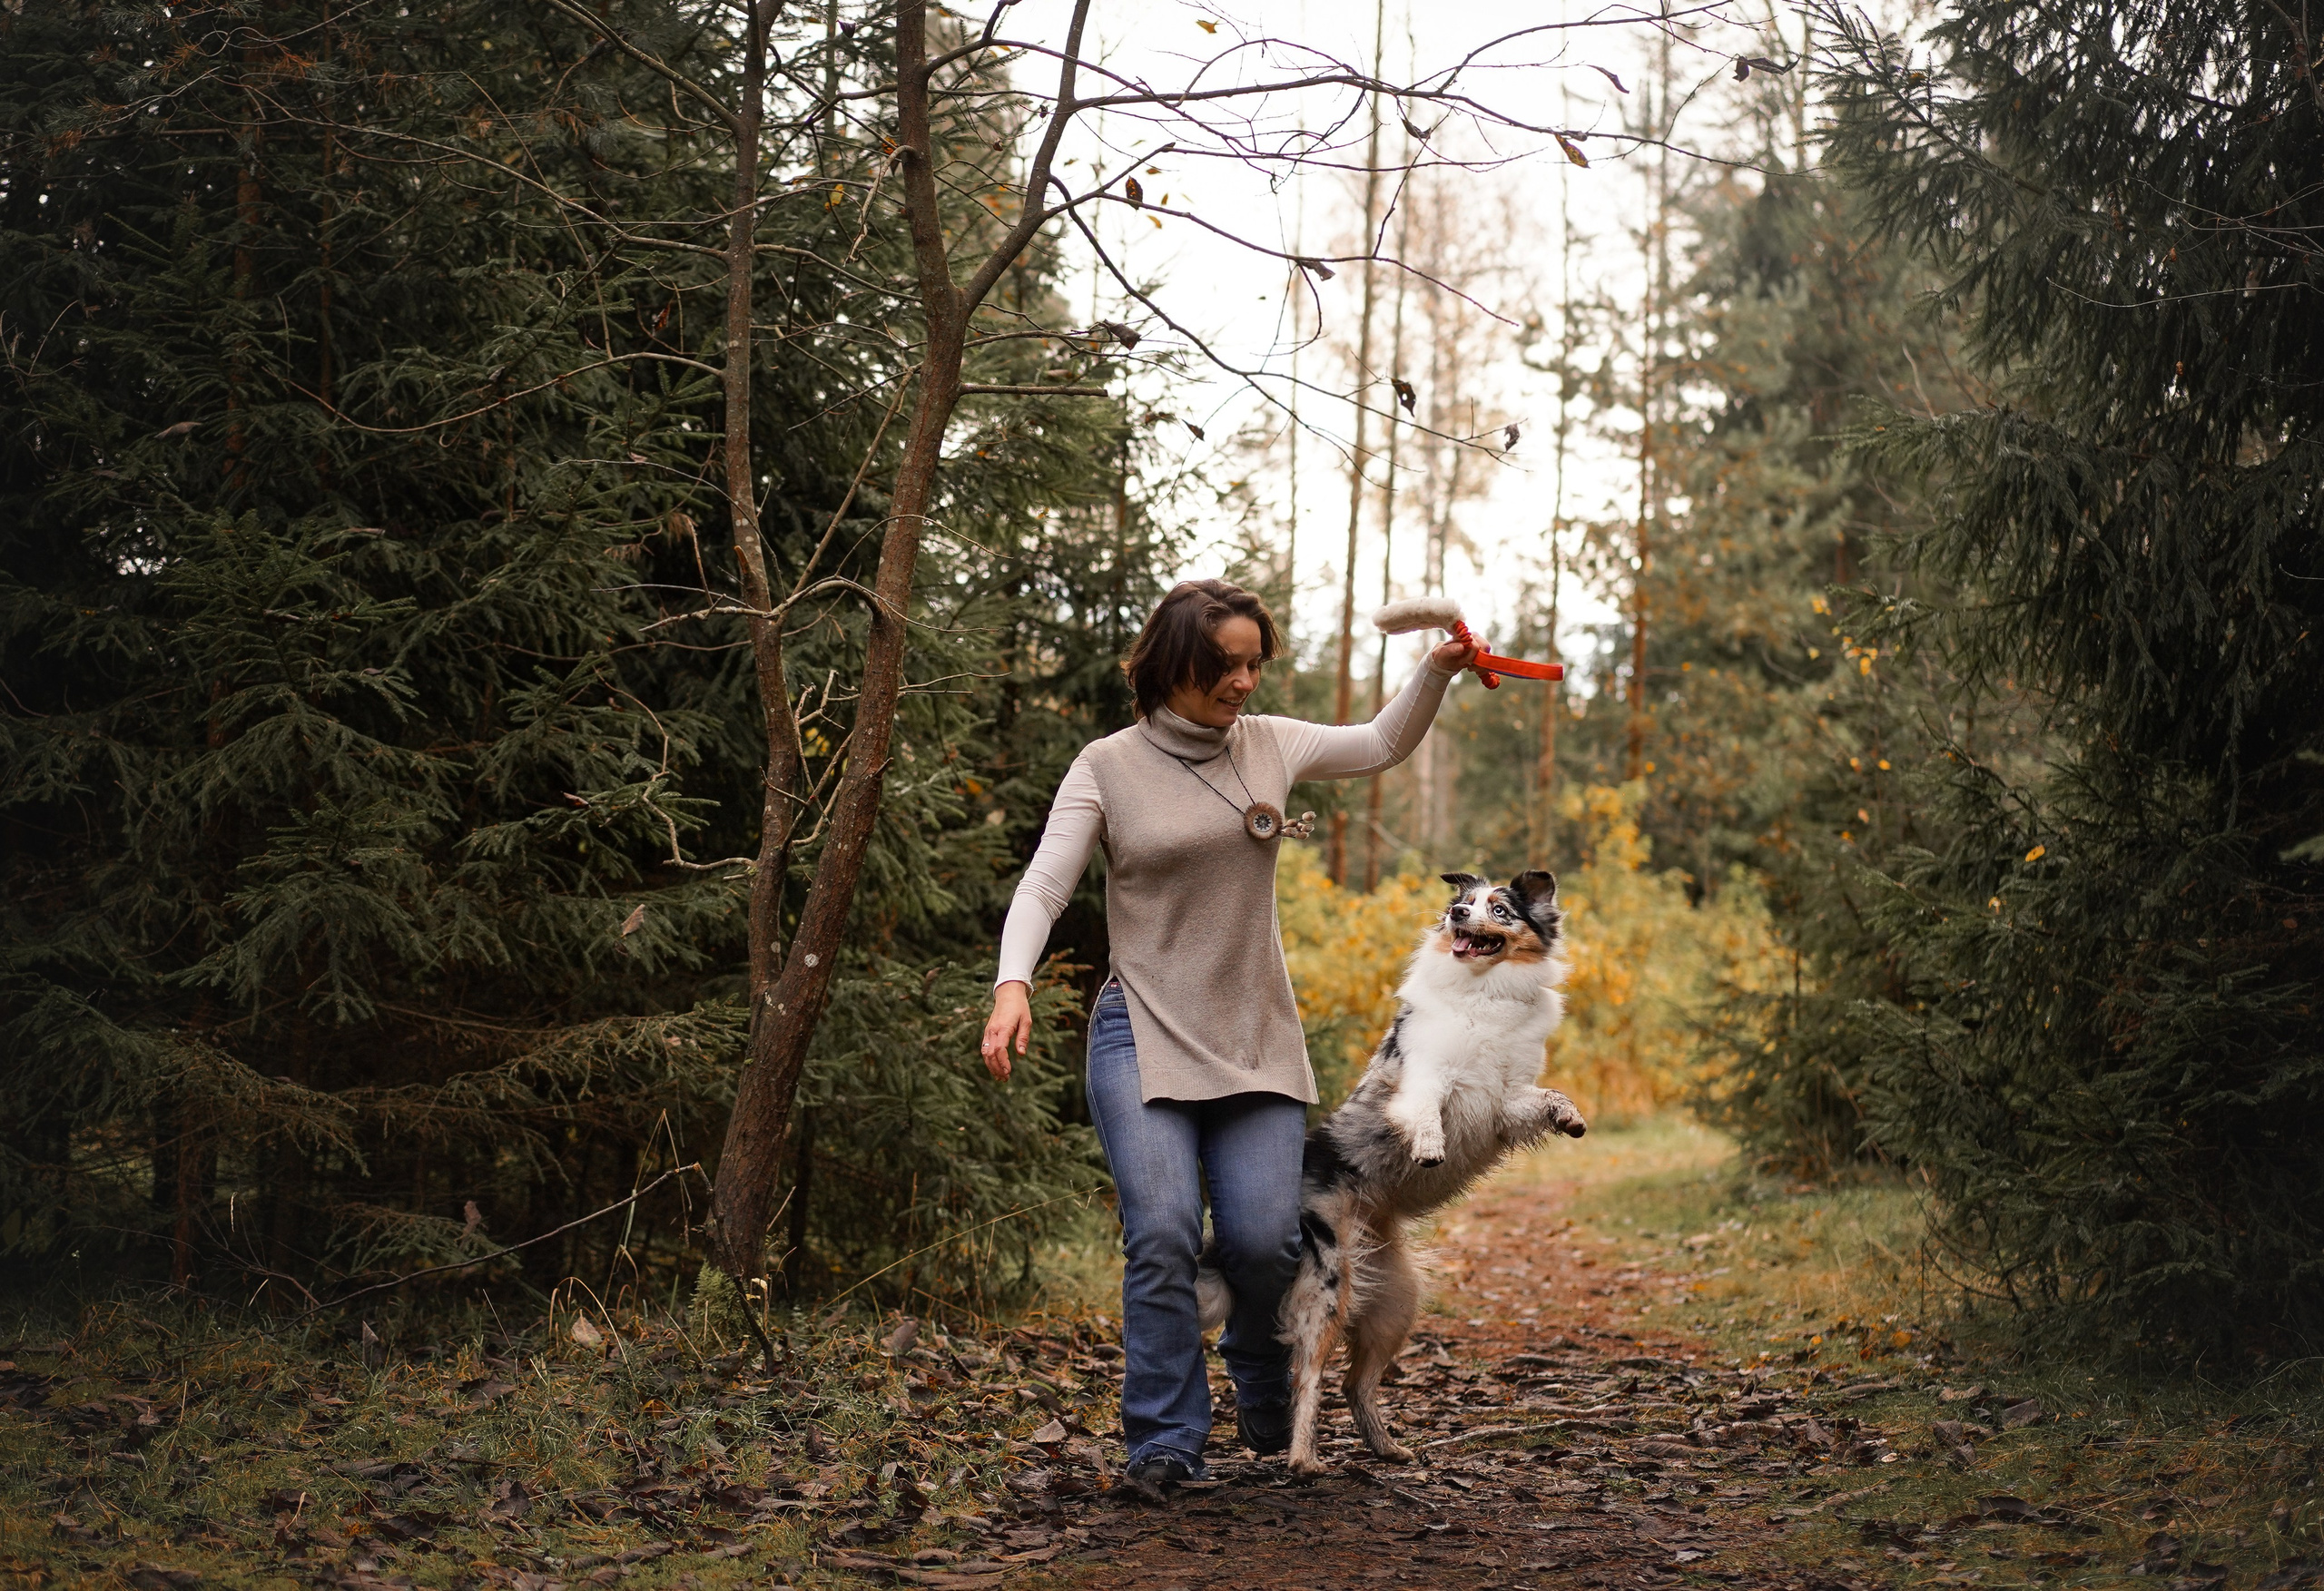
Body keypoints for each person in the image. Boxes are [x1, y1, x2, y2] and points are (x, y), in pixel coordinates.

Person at [979, 577, 1480, 1496]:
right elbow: (1046, 885)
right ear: (1174, 665)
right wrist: (1012, 981)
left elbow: (1378, 743)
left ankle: (1256, 1370)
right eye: (1226, 666)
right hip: (1142, 1034)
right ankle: (1165, 1441)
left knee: (1262, 1240)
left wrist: (1436, 670)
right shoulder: (1106, 765)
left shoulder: (1268, 745)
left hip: (1254, 1036)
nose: (1245, 682)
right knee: (1163, 1233)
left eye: (1255, 662)